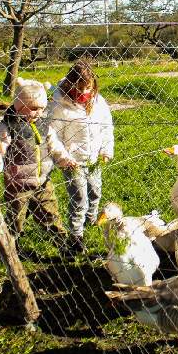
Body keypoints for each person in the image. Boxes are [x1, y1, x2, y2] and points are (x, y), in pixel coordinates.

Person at [0, 78, 76, 244]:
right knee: (16, 218)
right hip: (18, 184)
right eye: (34, 108)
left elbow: (55, 145)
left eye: (42, 108)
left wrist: (65, 159)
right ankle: (10, 246)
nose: (39, 113)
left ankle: (63, 243)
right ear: (19, 106)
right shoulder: (8, 127)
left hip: (43, 181)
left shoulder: (44, 125)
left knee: (50, 214)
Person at [48, 61, 114, 255]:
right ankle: (76, 236)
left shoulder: (98, 101)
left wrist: (106, 150)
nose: (85, 91)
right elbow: (52, 135)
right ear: (70, 84)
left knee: (95, 192)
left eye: (89, 87)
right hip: (72, 162)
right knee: (79, 198)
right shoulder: (59, 105)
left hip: (94, 159)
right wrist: (64, 157)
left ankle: (91, 221)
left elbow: (106, 127)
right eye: (80, 87)